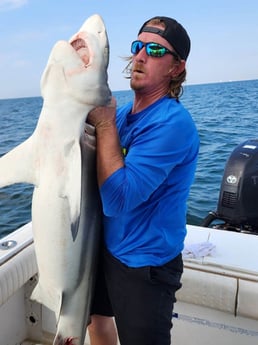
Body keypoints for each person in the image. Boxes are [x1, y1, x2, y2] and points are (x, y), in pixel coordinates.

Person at [87, 15, 199, 345]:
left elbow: (119, 199)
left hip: (146, 265)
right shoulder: (120, 116)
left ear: (176, 68)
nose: (140, 55)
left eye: (154, 49)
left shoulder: (172, 124)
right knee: (96, 321)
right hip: (108, 248)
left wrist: (104, 125)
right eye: (137, 46)